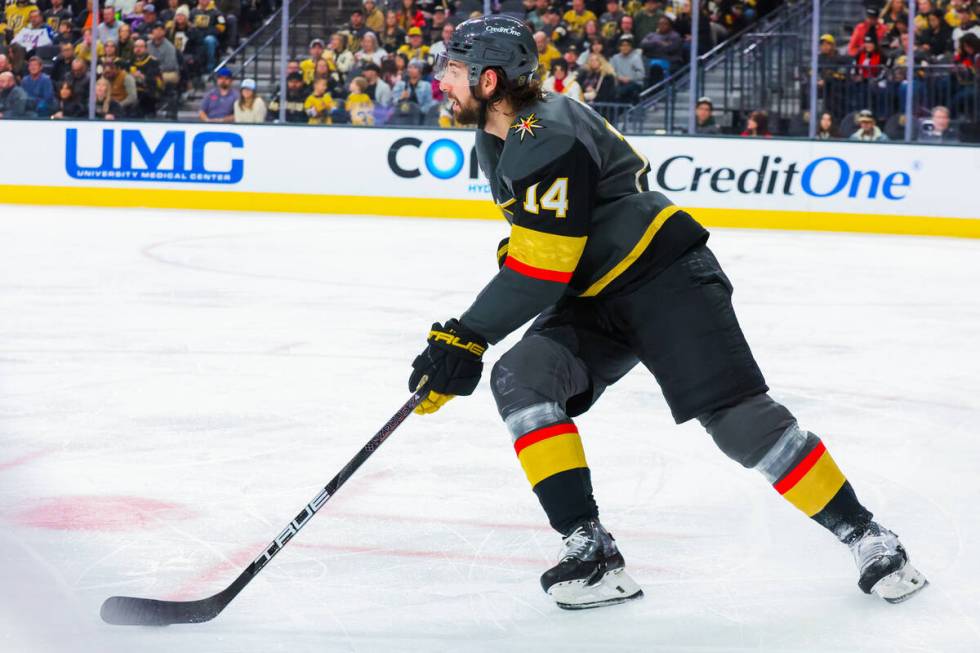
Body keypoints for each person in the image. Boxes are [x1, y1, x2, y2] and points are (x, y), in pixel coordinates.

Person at [419, 13, 928, 612]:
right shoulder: (501, 135)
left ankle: (869, 536)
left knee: (740, 422)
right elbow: (542, 243)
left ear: (489, 79)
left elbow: (543, 265)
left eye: (452, 70)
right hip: (597, 291)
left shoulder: (542, 133)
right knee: (522, 378)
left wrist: (467, 336)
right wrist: (475, 333)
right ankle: (591, 551)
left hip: (664, 279)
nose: (439, 83)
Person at [129, 37, 162, 118]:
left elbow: (158, 82)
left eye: (141, 47)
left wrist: (143, 77)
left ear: (146, 48)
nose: (138, 49)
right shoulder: (129, 61)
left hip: (148, 92)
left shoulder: (153, 62)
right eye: (136, 46)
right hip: (131, 91)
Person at [609, 34, 644, 102]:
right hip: (619, 82)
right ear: (619, 47)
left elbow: (641, 74)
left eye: (627, 45)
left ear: (631, 47)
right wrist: (619, 77)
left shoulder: (636, 58)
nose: (625, 47)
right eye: (623, 45)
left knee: (623, 91)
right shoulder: (615, 58)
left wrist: (630, 78)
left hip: (634, 83)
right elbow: (611, 72)